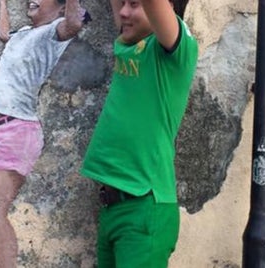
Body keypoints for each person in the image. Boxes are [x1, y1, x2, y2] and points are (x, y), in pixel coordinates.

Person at [80, 0, 198, 267]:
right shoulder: (130, 44)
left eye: (135, 4)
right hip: (113, 207)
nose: (123, 12)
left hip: (144, 208)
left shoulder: (174, 53)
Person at [0, 0, 89, 267]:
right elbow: (4, 34)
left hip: (17, 131)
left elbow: (74, 23)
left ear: (61, 9)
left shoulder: (51, 33)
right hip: (1, 130)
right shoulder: (24, 34)